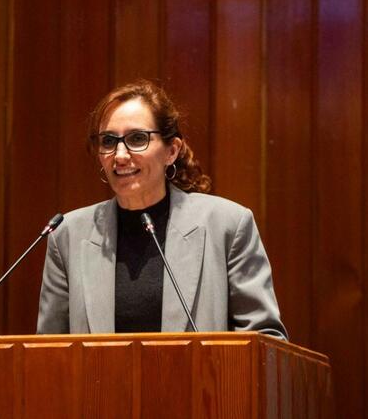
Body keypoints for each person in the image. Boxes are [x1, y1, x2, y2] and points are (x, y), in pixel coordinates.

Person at [36, 79, 287, 339]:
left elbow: (265, 340)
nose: (120, 155)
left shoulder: (228, 226)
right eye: (109, 141)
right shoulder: (68, 236)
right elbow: (49, 352)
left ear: (172, 151)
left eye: (137, 139)